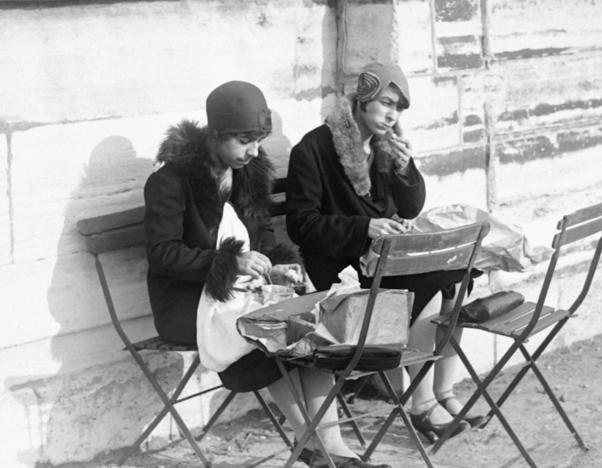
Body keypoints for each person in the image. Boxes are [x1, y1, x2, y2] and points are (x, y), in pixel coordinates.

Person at [144, 81, 390, 468]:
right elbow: (162, 255)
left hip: (241, 294)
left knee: (303, 321)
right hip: (187, 302)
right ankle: (315, 448)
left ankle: (333, 447)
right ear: (216, 134)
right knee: (271, 331)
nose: (254, 151)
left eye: (258, 140)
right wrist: (229, 261)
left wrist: (274, 264)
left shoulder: (246, 174)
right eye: (244, 140)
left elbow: (261, 236)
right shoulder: (172, 182)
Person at [286, 62, 483, 443]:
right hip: (339, 269)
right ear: (362, 98)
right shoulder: (313, 149)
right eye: (386, 103)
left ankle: (443, 393)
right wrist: (365, 227)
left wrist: (406, 170)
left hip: (381, 262)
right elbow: (302, 225)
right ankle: (422, 405)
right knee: (428, 288)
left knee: (456, 280)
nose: (392, 115)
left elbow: (409, 208)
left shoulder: (383, 144)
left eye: (399, 108)